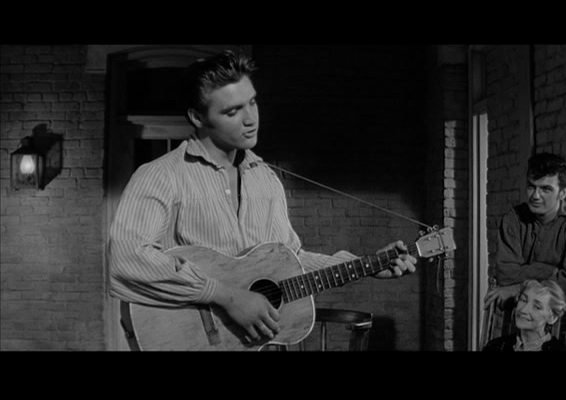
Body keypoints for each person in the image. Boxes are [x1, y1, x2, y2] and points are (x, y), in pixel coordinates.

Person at [108, 50, 417, 347]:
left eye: (252, 102)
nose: (250, 119)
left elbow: (290, 260)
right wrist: (226, 296)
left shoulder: (265, 179)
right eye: (232, 111)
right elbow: (126, 258)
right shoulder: (161, 175)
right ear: (197, 117)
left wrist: (365, 265)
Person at [484, 153, 566, 310]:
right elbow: (506, 276)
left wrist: (517, 287)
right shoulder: (513, 219)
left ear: (563, 193)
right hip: (517, 311)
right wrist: (549, 271)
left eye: (546, 189)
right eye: (531, 187)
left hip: (563, 313)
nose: (535, 196)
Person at [483, 279, 566, 351]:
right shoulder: (495, 346)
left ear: (552, 318)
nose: (523, 310)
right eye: (523, 300)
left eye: (537, 307)